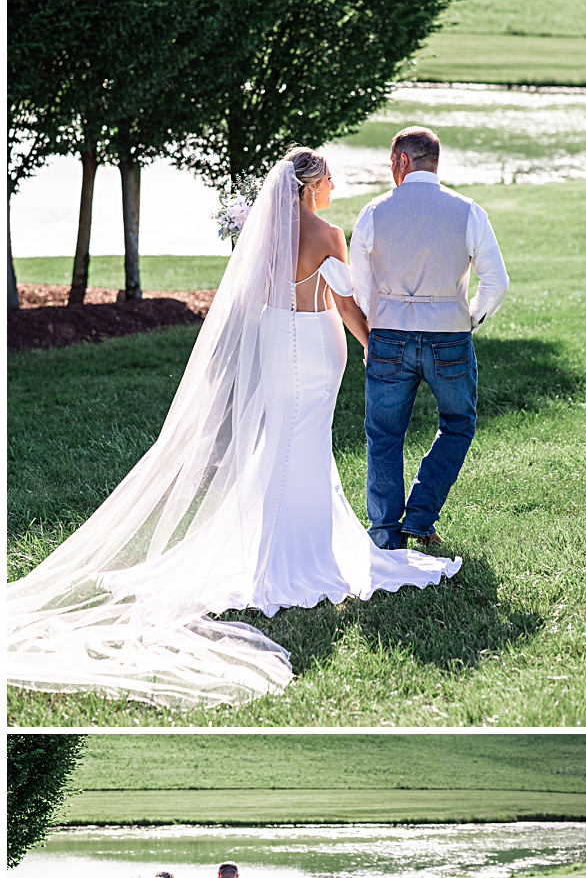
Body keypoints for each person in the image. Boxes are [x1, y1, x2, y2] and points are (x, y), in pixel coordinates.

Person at [6, 148, 461, 706]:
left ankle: (278, 542)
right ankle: (299, 553)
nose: (335, 185)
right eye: (329, 178)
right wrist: (372, 344)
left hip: (275, 341)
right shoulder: (326, 234)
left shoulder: (264, 234)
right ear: (310, 184)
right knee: (306, 443)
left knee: (282, 442)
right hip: (314, 346)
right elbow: (343, 303)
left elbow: (251, 299)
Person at [348, 127, 510, 551]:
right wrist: (470, 318)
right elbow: (496, 282)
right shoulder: (468, 211)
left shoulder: (373, 212)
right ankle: (420, 518)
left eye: (390, 163)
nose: (390, 170)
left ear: (402, 161)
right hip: (449, 338)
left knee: (384, 435)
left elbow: (360, 287)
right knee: (458, 424)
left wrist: (382, 320)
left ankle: (385, 532)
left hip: (389, 337)